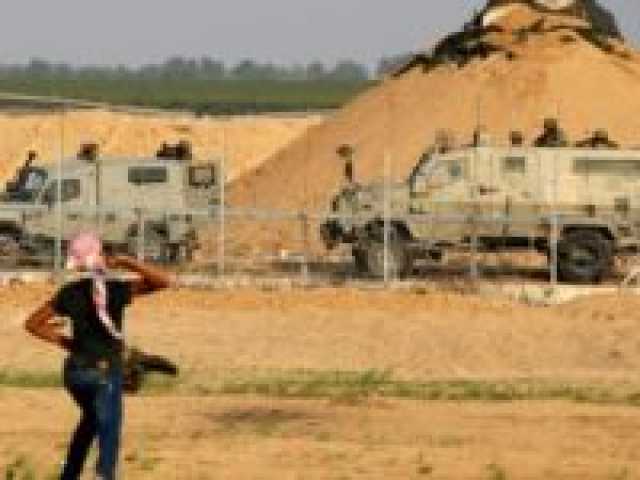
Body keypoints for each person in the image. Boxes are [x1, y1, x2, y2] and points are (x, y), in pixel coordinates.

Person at [24, 232, 172, 480]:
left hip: (74, 374)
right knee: (109, 430)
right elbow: (163, 281)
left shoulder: (69, 292)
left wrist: (69, 344)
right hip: (104, 374)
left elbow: (32, 324)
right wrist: (126, 261)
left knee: (91, 421)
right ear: (101, 256)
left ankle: (69, 474)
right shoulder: (115, 290)